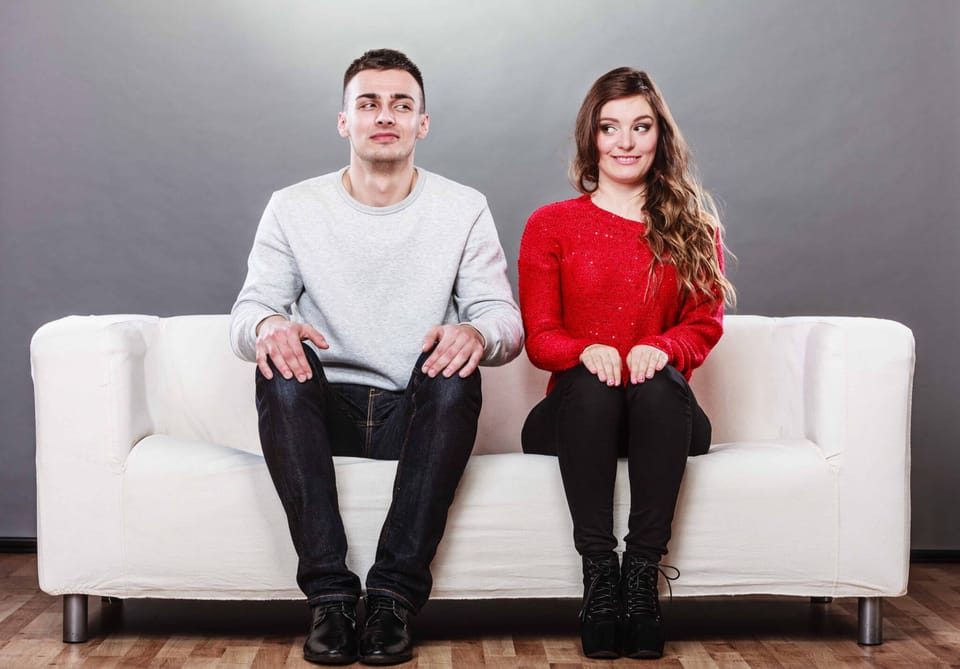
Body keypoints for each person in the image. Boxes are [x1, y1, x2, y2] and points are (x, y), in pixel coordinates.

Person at [230, 49, 523, 666]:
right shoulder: (293, 206)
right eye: (368, 103)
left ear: (422, 123)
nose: (383, 115)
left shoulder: (462, 207)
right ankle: (332, 601)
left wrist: (475, 334)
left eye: (400, 104)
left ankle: (391, 598)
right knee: (279, 365)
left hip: (414, 413)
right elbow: (247, 311)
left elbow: (503, 318)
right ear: (345, 122)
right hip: (322, 409)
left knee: (455, 369)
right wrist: (269, 325)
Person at [518, 67, 735, 660]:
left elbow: (704, 326)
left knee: (658, 383)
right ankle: (599, 578)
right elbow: (540, 337)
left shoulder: (694, 225)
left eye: (641, 127)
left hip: (661, 414)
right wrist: (585, 349)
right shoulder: (551, 224)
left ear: (660, 136)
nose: (626, 142)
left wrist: (660, 347)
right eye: (611, 128)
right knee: (593, 380)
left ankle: (640, 579)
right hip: (573, 413)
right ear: (591, 137)